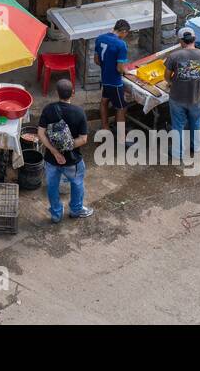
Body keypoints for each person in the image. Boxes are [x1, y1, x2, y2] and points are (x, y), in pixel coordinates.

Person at [38, 78, 92, 222]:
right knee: (77, 183)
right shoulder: (79, 112)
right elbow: (83, 139)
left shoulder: (48, 109)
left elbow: (41, 133)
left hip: (51, 159)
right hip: (72, 160)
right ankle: (75, 210)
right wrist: (66, 148)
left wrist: (55, 152)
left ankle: (56, 214)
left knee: (52, 186)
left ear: (57, 93)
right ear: (72, 93)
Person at [164, 27, 200, 160]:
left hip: (177, 98)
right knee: (196, 122)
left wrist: (170, 82)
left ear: (181, 41)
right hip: (196, 98)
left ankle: (177, 153)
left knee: (178, 125)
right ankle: (196, 147)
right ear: (195, 39)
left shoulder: (174, 56)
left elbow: (167, 76)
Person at [93, 19, 131, 138]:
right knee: (121, 107)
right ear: (123, 31)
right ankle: (121, 137)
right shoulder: (121, 45)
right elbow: (120, 68)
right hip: (115, 82)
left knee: (104, 101)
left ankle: (105, 127)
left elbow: (96, 60)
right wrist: (127, 72)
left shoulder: (100, 38)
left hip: (105, 78)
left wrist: (106, 67)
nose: (126, 36)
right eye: (126, 33)